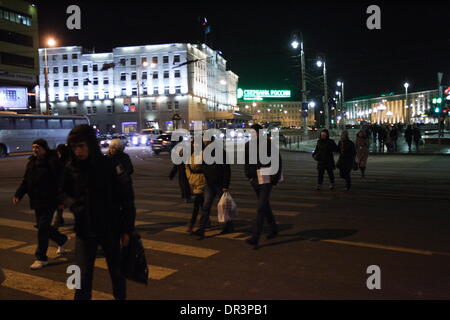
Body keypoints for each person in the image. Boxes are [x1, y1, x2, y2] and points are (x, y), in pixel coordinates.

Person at [61, 124, 135, 300]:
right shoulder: (71, 168)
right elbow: (62, 192)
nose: (78, 151)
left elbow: (127, 198)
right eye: (74, 147)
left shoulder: (111, 165)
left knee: (117, 274)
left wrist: (127, 229)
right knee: (80, 277)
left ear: (90, 144)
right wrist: (74, 204)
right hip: (84, 231)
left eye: (81, 146)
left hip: (111, 229)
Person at [13, 139, 69, 270]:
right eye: (33, 147)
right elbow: (26, 180)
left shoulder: (53, 162)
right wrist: (18, 194)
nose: (35, 149)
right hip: (37, 201)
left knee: (42, 228)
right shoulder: (32, 162)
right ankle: (61, 239)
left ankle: (41, 258)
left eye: (37, 147)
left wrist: (61, 201)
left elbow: (61, 182)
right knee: (41, 226)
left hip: (49, 200)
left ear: (44, 148)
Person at [244, 124, 282, 249]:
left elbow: (278, 160)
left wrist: (274, 179)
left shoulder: (268, 144)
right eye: (251, 133)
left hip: (266, 176)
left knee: (260, 207)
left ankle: (255, 237)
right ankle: (273, 228)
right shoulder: (248, 145)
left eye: (254, 133)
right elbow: (246, 162)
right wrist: (249, 176)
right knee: (264, 205)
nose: (252, 135)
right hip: (254, 178)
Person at [192, 136, 233, 240]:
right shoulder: (205, 151)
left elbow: (226, 169)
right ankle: (202, 229)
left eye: (205, 140)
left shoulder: (220, 152)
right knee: (206, 207)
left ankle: (228, 226)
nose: (204, 141)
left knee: (223, 207)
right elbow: (204, 166)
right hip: (209, 184)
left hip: (219, 184)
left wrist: (225, 185)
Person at [185, 142, 206, 233]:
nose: (195, 145)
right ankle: (206, 220)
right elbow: (186, 167)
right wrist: (190, 177)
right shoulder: (191, 155)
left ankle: (191, 224)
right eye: (194, 144)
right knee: (201, 203)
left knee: (196, 204)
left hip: (202, 181)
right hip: (194, 181)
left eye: (196, 144)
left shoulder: (204, 154)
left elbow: (208, 168)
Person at [53, 144, 71, 227]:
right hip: (64, 185)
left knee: (60, 204)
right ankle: (59, 219)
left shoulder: (62, 160)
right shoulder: (67, 159)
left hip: (64, 185)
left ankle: (58, 220)